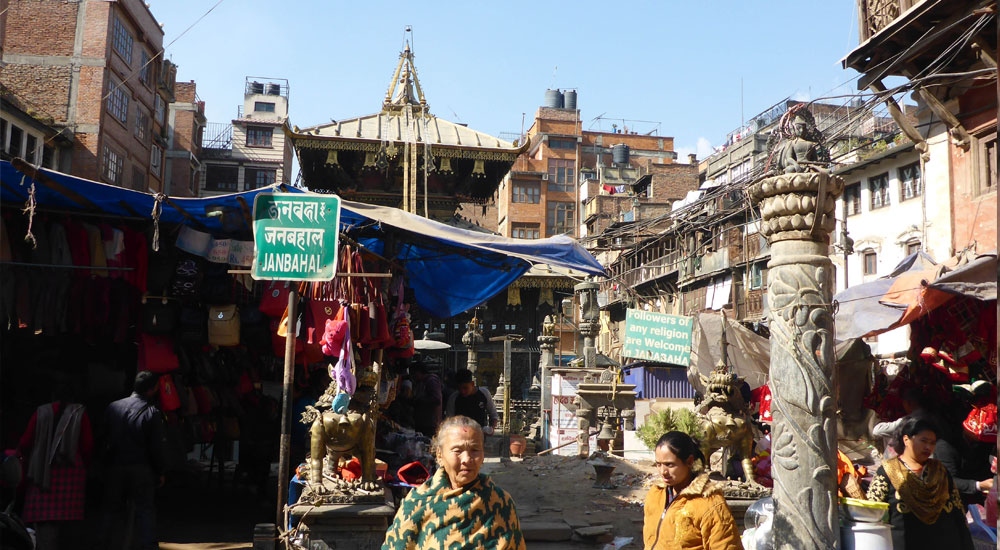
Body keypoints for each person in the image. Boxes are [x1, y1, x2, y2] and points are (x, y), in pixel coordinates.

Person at [382, 415, 525, 550]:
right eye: (457, 450)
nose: (467, 459)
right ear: (439, 455)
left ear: (483, 455)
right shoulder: (417, 503)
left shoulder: (501, 503)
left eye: (475, 450)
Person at [866, 416, 973, 550]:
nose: (928, 447)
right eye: (924, 441)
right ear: (906, 440)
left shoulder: (940, 471)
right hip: (904, 542)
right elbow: (872, 512)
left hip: (944, 542)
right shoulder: (888, 471)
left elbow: (958, 512)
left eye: (933, 443)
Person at [16, 383, 93, 550]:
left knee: (45, 527)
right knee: (69, 530)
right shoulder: (80, 412)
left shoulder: (41, 412)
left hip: (42, 475)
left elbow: (25, 442)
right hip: (72, 478)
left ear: (52, 395)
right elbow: (87, 446)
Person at [99, 371, 168, 550]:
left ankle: (105, 544)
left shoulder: (113, 407)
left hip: (115, 467)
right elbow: (156, 448)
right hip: (141, 469)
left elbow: (103, 438)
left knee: (111, 510)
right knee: (145, 510)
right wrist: (160, 472)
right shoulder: (153, 413)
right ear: (152, 390)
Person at [643, 431, 742, 550]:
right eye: (658, 464)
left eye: (669, 465)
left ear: (689, 461)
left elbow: (726, 546)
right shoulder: (655, 494)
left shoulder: (710, 503)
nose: (663, 471)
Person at [445, 368, 498, 435]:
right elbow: (449, 421)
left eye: (465, 388)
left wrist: (491, 428)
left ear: (472, 384)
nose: (462, 391)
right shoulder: (453, 398)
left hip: (479, 436)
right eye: (459, 388)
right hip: (460, 436)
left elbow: (493, 415)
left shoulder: (484, 393)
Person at [410, 361, 442, 437]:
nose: (413, 376)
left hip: (430, 424)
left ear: (418, 372)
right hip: (423, 422)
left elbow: (436, 399)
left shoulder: (431, 381)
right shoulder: (421, 382)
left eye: (414, 373)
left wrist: (418, 401)